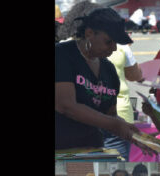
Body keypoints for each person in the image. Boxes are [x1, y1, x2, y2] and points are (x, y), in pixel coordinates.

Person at [55, 7, 142, 152]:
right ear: (89, 33)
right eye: (109, 42)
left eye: (116, 43)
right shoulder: (62, 54)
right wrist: (115, 124)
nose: (114, 48)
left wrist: (130, 132)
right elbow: (66, 106)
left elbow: (110, 114)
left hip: (93, 147)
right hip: (62, 149)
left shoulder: (109, 69)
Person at [105, 43, 144, 161]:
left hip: (83, 115)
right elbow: (135, 75)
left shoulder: (67, 46)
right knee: (117, 160)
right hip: (119, 116)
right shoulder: (122, 47)